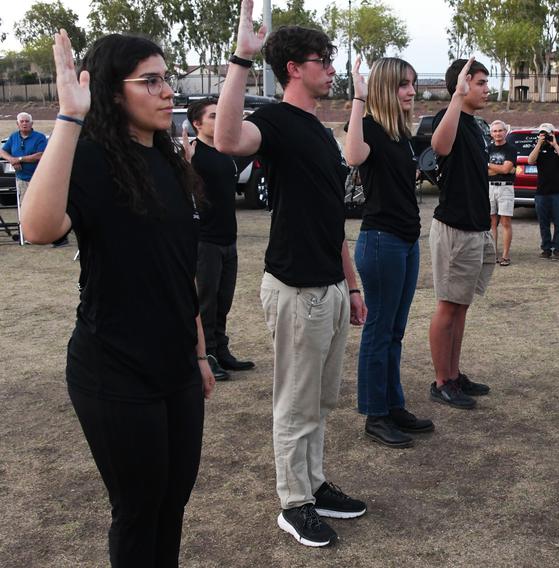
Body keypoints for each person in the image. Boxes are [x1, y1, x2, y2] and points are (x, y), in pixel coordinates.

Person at [20, 31, 216, 566]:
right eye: (149, 81)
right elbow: (37, 228)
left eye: (166, 78)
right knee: (137, 508)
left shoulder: (171, 161)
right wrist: (67, 117)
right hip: (114, 369)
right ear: (112, 93)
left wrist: (198, 353)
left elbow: (178, 273)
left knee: (172, 502)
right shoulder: (91, 159)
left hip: (175, 364)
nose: (166, 90)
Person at [215, 0, 367, 548]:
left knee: (321, 403)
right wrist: (240, 58)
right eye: (321, 59)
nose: (331, 66)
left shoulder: (319, 131)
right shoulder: (275, 121)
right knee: (296, 404)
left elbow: (332, 221)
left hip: (327, 286)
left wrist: (350, 284)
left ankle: (315, 483)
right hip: (295, 290)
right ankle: (293, 502)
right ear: (293, 70)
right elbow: (228, 140)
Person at [344, 55, 434, 448]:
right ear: (384, 88)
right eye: (403, 84)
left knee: (394, 330)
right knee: (379, 330)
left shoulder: (400, 134)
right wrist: (358, 99)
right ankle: (375, 415)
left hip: (407, 241)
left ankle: (393, 404)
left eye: (412, 83)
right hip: (381, 242)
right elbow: (352, 157)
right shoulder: (369, 128)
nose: (412, 91)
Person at [427, 57, 495, 410]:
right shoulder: (448, 118)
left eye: (486, 82)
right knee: (447, 307)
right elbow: (439, 146)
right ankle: (441, 382)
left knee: (461, 307)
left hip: (476, 227)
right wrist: (455, 97)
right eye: (481, 82)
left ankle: (454, 375)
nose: (487, 89)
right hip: (454, 228)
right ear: (463, 85)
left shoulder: (477, 126)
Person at [185, 97, 255, 381]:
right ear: (197, 124)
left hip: (229, 238)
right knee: (206, 301)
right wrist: (184, 162)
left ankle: (222, 350)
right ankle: (207, 353)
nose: (219, 120)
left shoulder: (227, 151)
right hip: (206, 240)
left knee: (223, 299)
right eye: (213, 116)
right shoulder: (193, 154)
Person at [1, 112, 67, 247]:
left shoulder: (40, 138)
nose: (24, 123)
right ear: (17, 124)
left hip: (40, 179)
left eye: (27, 121)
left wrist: (19, 159)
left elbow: (40, 155)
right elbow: (2, 151)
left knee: (45, 208)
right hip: (22, 179)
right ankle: (28, 234)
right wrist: (11, 159)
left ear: (32, 124)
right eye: (22, 121)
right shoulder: (13, 137)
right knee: (26, 209)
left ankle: (59, 238)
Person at [527, 122, 559, 260]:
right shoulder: (539, 148)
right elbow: (530, 161)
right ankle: (546, 249)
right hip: (542, 192)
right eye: (542, 133)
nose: (544, 136)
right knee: (543, 222)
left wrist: (555, 145)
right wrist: (539, 144)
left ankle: (557, 249)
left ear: (553, 133)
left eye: (546, 133)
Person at [486, 119, 517, 265]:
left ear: (505, 132)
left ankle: (505, 255)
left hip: (506, 188)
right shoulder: (487, 149)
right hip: (490, 187)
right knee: (491, 222)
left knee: (505, 222)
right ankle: (493, 254)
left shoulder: (511, 149)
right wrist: (503, 170)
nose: (497, 133)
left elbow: (506, 170)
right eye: (495, 131)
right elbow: (484, 172)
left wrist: (489, 166)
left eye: (500, 130)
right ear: (491, 133)